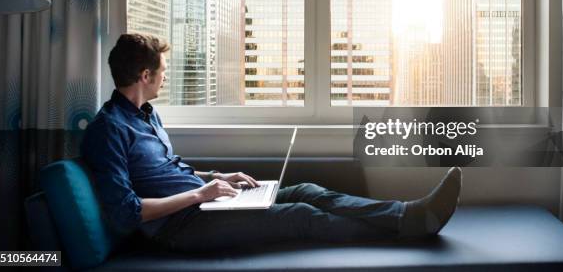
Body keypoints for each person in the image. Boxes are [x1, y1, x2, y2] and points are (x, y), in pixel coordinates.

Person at [82, 33, 462, 253]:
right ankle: (406, 231)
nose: (165, 78)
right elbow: (126, 212)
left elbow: (163, 171)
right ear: (145, 74)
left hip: (207, 201)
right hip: (180, 227)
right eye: (161, 72)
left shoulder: (147, 114)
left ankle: (406, 213)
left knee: (307, 191)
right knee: (300, 216)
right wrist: (201, 195)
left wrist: (215, 176)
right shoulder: (108, 130)